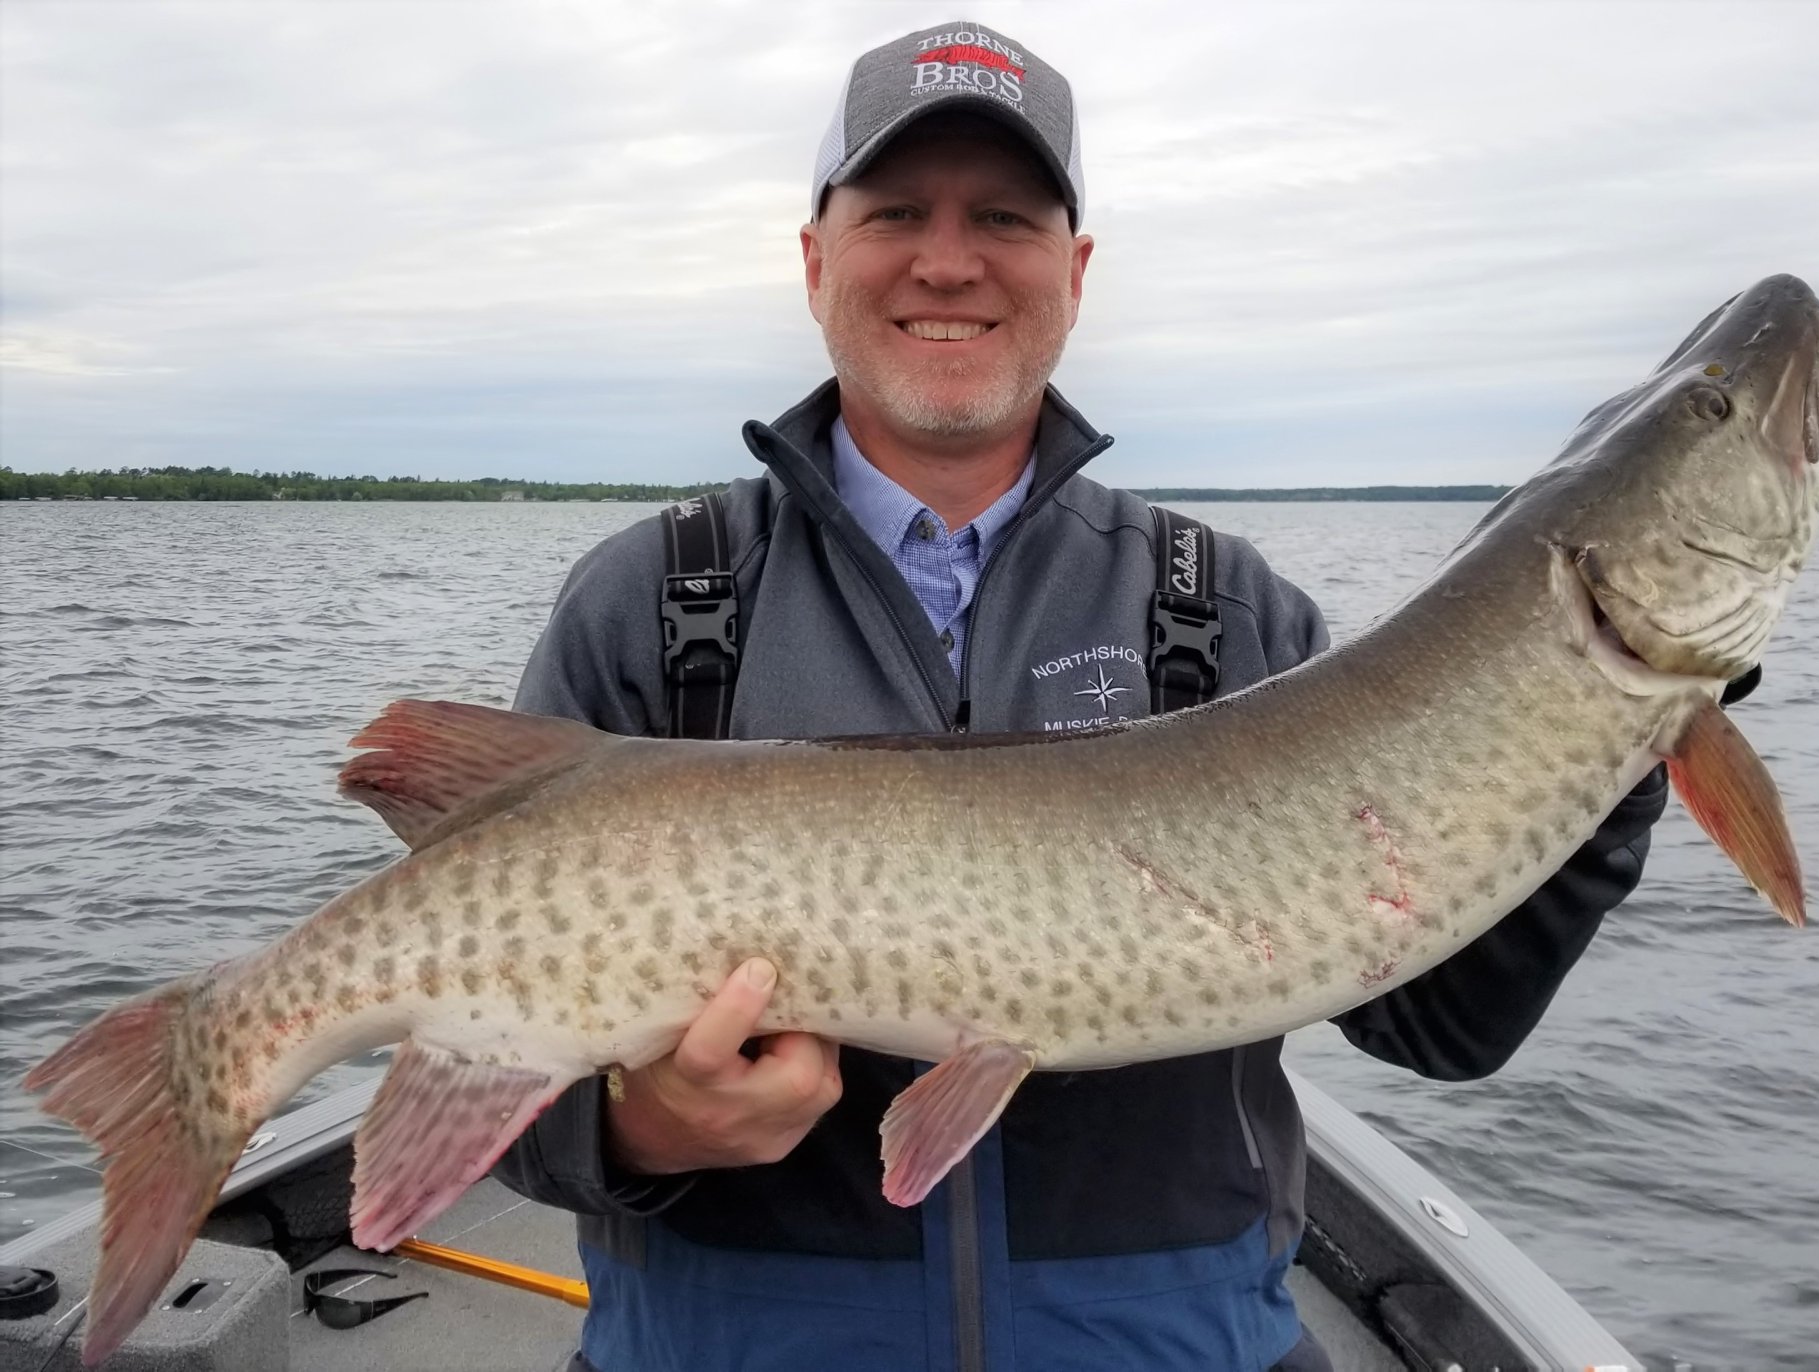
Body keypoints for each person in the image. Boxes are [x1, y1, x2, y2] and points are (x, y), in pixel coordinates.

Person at [493, 22, 1668, 1372]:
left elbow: (1433, 1020)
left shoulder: (1223, 611)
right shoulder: (655, 606)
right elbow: (489, 1079)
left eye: (1004, 214)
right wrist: (638, 1129)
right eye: (896, 213)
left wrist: (1606, 739)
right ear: (816, 260)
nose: (949, 260)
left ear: (1075, 271)